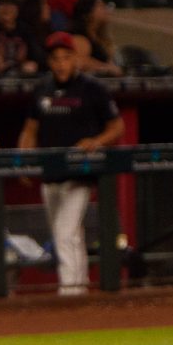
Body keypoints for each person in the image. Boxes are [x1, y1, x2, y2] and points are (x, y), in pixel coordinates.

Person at [17, 32, 125, 296]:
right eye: (56, 59)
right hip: (51, 174)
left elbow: (117, 126)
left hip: (80, 174)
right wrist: (23, 160)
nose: (61, 64)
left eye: (66, 58)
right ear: (50, 61)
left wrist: (96, 141)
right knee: (67, 234)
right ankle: (78, 288)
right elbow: (30, 129)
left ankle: (68, 291)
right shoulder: (42, 88)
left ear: (75, 58)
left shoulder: (92, 88)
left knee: (65, 233)